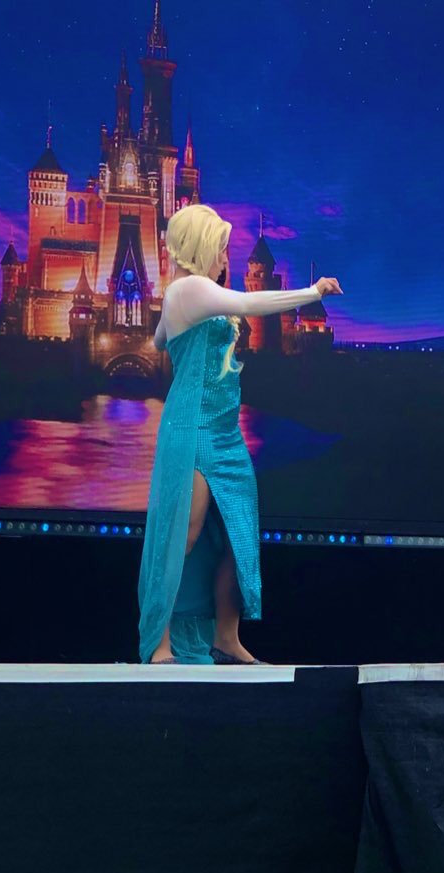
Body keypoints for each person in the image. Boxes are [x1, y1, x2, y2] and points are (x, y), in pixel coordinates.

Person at [138, 203, 342, 665]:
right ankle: (160, 644)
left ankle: (226, 638)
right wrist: (313, 291)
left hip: (225, 431)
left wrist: (173, 329)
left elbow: (159, 340)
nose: (226, 257)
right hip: (193, 426)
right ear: (200, 246)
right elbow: (249, 304)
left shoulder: (194, 294)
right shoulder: (189, 289)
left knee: (238, 532)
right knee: (184, 534)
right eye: (221, 247)